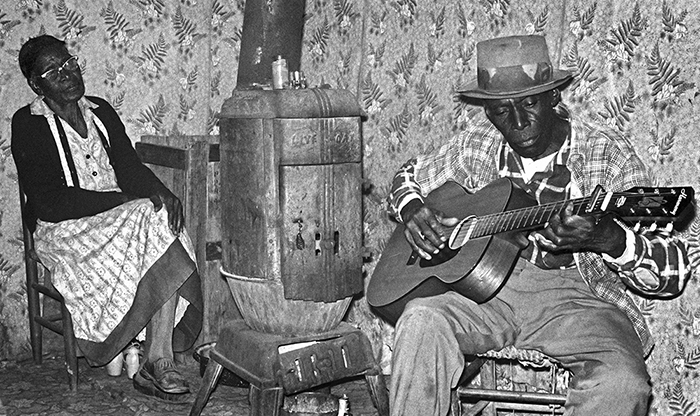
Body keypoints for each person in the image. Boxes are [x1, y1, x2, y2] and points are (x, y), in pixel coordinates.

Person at [378, 35, 692, 415]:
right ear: (488, 111)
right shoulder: (475, 144)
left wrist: (610, 239)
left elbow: (672, 271)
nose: (518, 122)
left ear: (553, 97)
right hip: (486, 295)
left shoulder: (607, 153)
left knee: (622, 384)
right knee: (420, 320)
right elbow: (407, 175)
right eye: (501, 111)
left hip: (579, 300)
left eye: (529, 104)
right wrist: (412, 208)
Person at [11, 35, 203, 400]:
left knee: (158, 213)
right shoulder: (28, 123)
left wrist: (161, 191)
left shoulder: (100, 111)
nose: (67, 74)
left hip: (120, 218)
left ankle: (158, 357)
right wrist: (122, 202)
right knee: (146, 216)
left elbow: (129, 168)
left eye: (69, 63)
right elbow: (48, 201)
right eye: (53, 71)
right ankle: (155, 361)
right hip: (64, 229)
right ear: (37, 84)